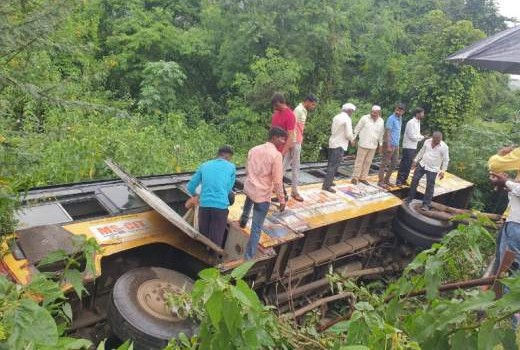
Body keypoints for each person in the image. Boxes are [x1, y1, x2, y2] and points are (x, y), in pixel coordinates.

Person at [240, 127, 287, 260]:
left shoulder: (253, 149)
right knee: (256, 228)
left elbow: (247, 170)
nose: (283, 141)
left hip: (250, 188)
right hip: (262, 195)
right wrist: (282, 200)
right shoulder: (276, 155)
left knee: (249, 198)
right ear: (274, 137)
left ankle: (243, 220)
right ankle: (248, 258)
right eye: (281, 138)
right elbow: (278, 181)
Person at [186, 145, 236, 247]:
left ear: (218, 155)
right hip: (220, 208)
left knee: (203, 238)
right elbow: (228, 190)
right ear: (227, 156)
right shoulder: (231, 167)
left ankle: (202, 256)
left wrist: (197, 197)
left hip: (204, 206)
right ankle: (212, 259)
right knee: (216, 241)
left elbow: (190, 186)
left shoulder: (204, 165)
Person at [270, 93, 302, 201]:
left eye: (275, 105)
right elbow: (272, 131)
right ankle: (280, 192)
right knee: (279, 169)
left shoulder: (290, 115)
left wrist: (282, 152)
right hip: (279, 146)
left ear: (280, 102)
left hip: (293, 143)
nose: (274, 108)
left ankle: (295, 191)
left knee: (295, 168)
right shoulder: (276, 114)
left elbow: (291, 136)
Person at [406, 131, 449, 210]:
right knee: (414, 180)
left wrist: (443, 171)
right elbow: (422, 151)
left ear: (441, 139)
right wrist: (415, 161)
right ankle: (409, 198)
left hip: (433, 169)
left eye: (438, 141)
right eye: (435, 141)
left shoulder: (444, 147)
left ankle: (426, 204)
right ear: (432, 138)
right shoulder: (427, 142)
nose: (436, 142)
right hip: (422, 164)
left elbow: (446, 160)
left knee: (430, 186)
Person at [288, 94, 318, 199]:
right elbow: (292, 126)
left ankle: (274, 186)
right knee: (296, 167)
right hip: (295, 142)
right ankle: (294, 191)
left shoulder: (302, 110)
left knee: (284, 165)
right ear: (308, 101)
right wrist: (293, 142)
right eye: (313, 105)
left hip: (294, 141)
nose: (313, 107)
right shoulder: (299, 110)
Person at [322, 103, 356, 192]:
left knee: (331, 164)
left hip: (333, 143)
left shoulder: (336, 117)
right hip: (340, 144)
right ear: (349, 110)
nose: (352, 113)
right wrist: (352, 140)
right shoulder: (347, 119)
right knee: (334, 165)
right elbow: (348, 133)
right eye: (351, 111)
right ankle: (326, 186)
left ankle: (329, 181)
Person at [351, 105, 384, 185]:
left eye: (375, 113)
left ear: (379, 113)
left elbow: (381, 134)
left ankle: (363, 178)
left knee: (368, 162)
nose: (373, 114)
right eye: (372, 112)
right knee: (359, 161)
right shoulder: (364, 118)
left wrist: (380, 145)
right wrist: (353, 138)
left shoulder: (381, 121)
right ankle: (355, 177)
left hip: (373, 145)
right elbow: (357, 129)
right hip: (363, 143)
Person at [396, 107, 426, 186]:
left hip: (413, 146)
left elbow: (417, 134)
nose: (423, 115)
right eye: (422, 113)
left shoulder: (418, 122)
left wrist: (423, 136)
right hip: (408, 146)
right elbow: (412, 136)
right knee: (405, 163)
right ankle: (399, 180)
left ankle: (404, 180)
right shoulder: (411, 122)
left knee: (409, 164)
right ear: (417, 114)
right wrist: (422, 138)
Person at [378, 103, 406, 188]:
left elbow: (397, 132)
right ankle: (381, 181)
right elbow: (388, 132)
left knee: (394, 163)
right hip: (389, 144)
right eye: (398, 109)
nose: (399, 111)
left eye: (401, 110)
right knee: (384, 163)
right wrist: (388, 145)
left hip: (396, 145)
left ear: (403, 112)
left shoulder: (400, 118)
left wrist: (397, 145)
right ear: (395, 109)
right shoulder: (391, 118)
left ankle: (387, 180)